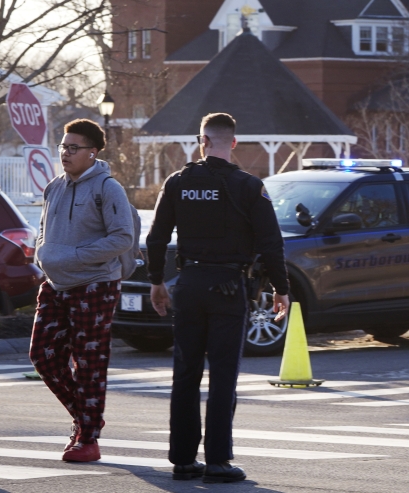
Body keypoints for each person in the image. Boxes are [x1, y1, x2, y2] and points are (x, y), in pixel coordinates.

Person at [147, 112, 289, 484]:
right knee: (223, 375)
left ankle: (182, 459)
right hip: (228, 287)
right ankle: (218, 462)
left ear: (202, 141)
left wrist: (156, 281)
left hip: (189, 284)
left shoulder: (177, 183)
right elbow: (272, 243)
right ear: (234, 143)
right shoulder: (248, 186)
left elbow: (157, 237)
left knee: (186, 372)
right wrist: (281, 289)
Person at [31, 119, 135, 462]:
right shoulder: (54, 188)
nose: (65, 153)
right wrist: (42, 254)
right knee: (42, 354)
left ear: (93, 153)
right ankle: (87, 416)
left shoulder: (108, 188)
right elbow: (43, 229)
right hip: (56, 283)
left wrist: (76, 257)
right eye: (62, 146)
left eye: (73, 148)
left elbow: (122, 238)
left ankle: (87, 439)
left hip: (95, 284)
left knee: (89, 362)